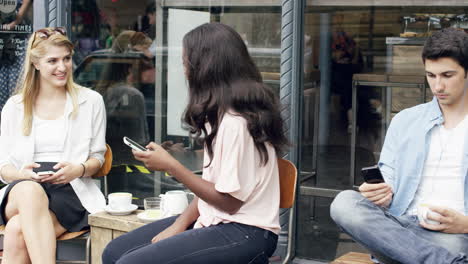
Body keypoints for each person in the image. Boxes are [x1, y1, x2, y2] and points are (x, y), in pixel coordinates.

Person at [102, 22, 289, 264]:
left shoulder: (236, 123)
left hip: (247, 231)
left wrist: (171, 166)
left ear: (206, 68)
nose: (184, 71)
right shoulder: (220, 115)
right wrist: (179, 224)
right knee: (113, 252)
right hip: (214, 219)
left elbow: (229, 202)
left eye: (185, 63)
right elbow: (211, 189)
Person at [330, 28, 468, 263]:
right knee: (344, 203)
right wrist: (381, 192)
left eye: (447, 75)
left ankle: (404, 255)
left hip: (452, 233)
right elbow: (389, 176)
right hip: (400, 225)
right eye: (431, 76)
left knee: (449, 246)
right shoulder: (406, 120)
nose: (438, 87)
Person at [0, 27, 107, 263]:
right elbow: (3, 166)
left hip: (70, 190)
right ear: (36, 64)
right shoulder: (14, 106)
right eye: (53, 61)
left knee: (18, 230)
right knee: (30, 190)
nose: (62, 67)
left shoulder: (91, 101)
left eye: (67, 58)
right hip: (21, 189)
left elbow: (97, 159)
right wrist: (21, 174)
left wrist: (78, 169)